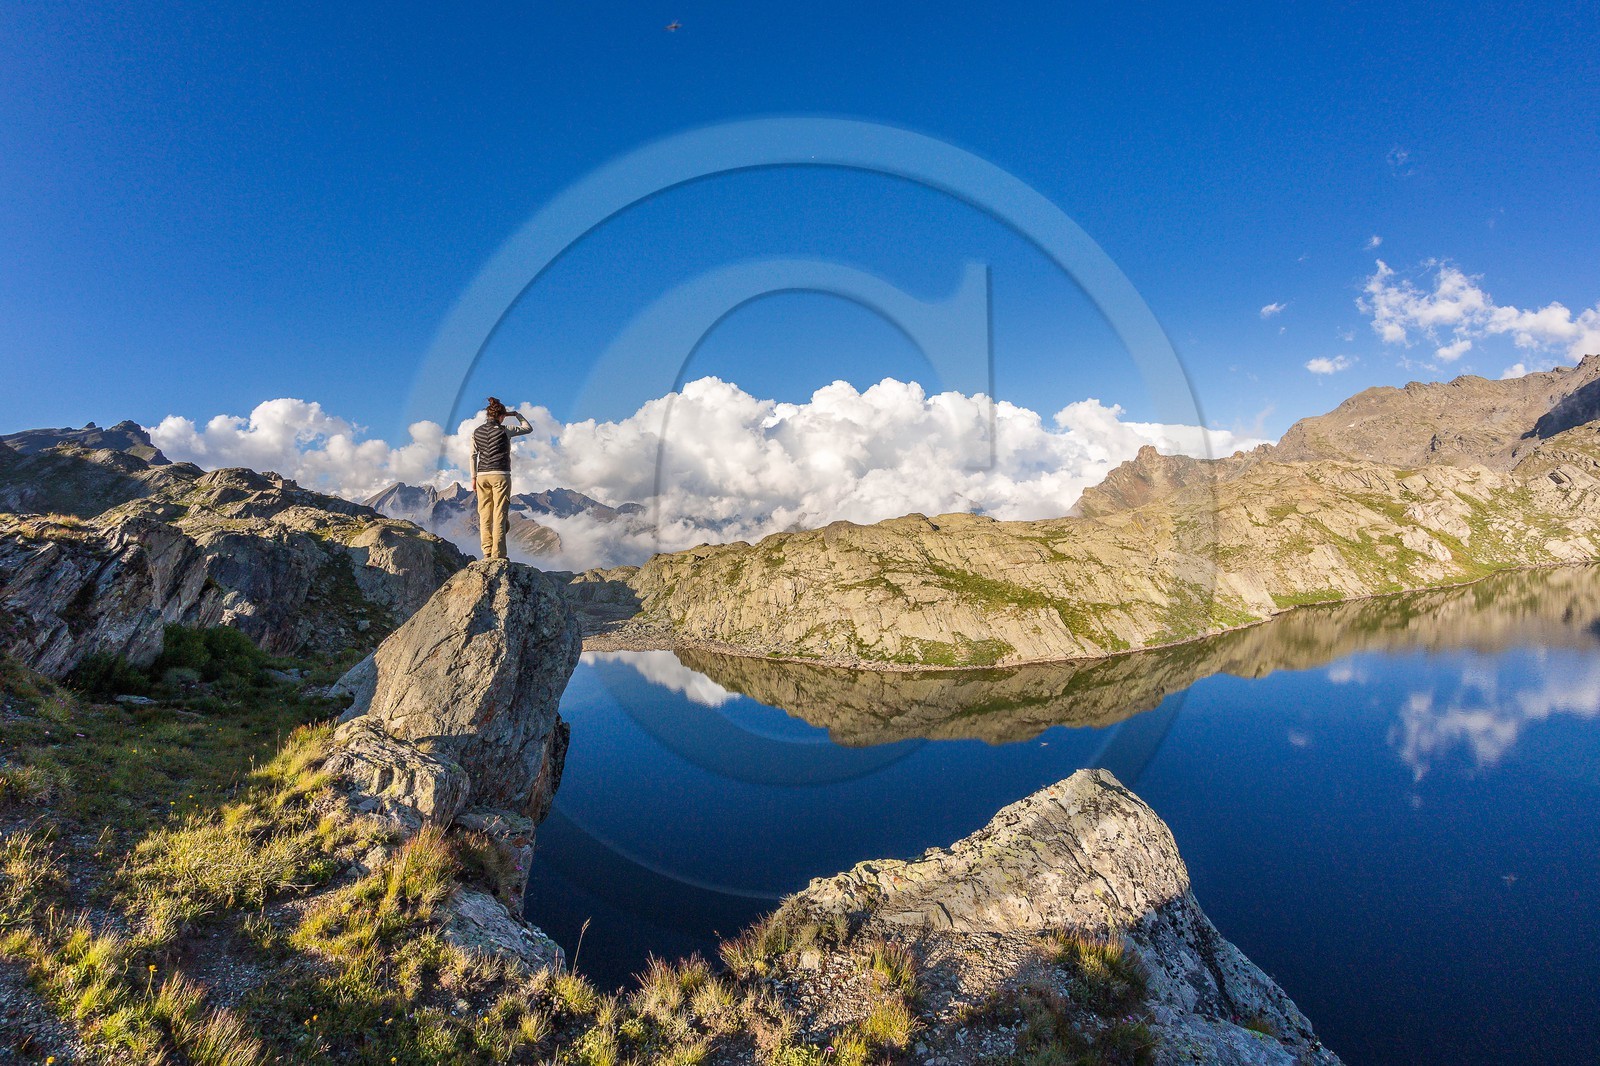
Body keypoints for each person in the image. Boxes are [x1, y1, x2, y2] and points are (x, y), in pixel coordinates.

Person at [469, 396, 532, 559]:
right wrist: (516, 415)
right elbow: (528, 428)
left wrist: (473, 478)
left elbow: (473, 456)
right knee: (500, 514)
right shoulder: (506, 430)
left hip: (482, 476)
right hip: (500, 475)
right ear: (502, 416)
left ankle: (487, 551)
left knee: (484, 514)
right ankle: (499, 554)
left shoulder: (476, 432)